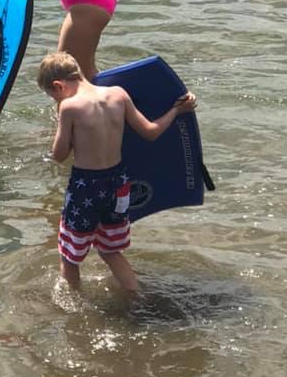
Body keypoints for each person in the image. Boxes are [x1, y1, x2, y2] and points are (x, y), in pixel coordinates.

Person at [38, 51, 196, 292]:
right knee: (110, 251)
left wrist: (62, 126)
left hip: (86, 188)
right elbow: (150, 132)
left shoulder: (69, 107)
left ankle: (72, 306)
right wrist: (177, 111)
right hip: (119, 183)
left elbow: (59, 155)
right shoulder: (118, 94)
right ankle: (135, 298)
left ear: (58, 86)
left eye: (53, 96)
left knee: (69, 257)